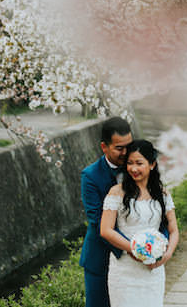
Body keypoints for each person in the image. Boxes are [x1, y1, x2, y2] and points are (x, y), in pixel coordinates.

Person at [99, 139, 179, 307]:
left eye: (139, 163)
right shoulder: (117, 192)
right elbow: (105, 230)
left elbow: (173, 230)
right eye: (129, 163)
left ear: (152, 164)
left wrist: (167, 254)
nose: (133, 169)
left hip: (153, 271)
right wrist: (135, 250)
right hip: (125, 269)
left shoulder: (162, 194)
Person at [81, 116, 133, 307]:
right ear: (104, 147)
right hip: (100, 259)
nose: (126, 152)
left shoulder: (138, 168)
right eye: (119, 148)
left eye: (129, 145)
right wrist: (131, 248)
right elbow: (96, 221)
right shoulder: (90, 176)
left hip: (135, 261)